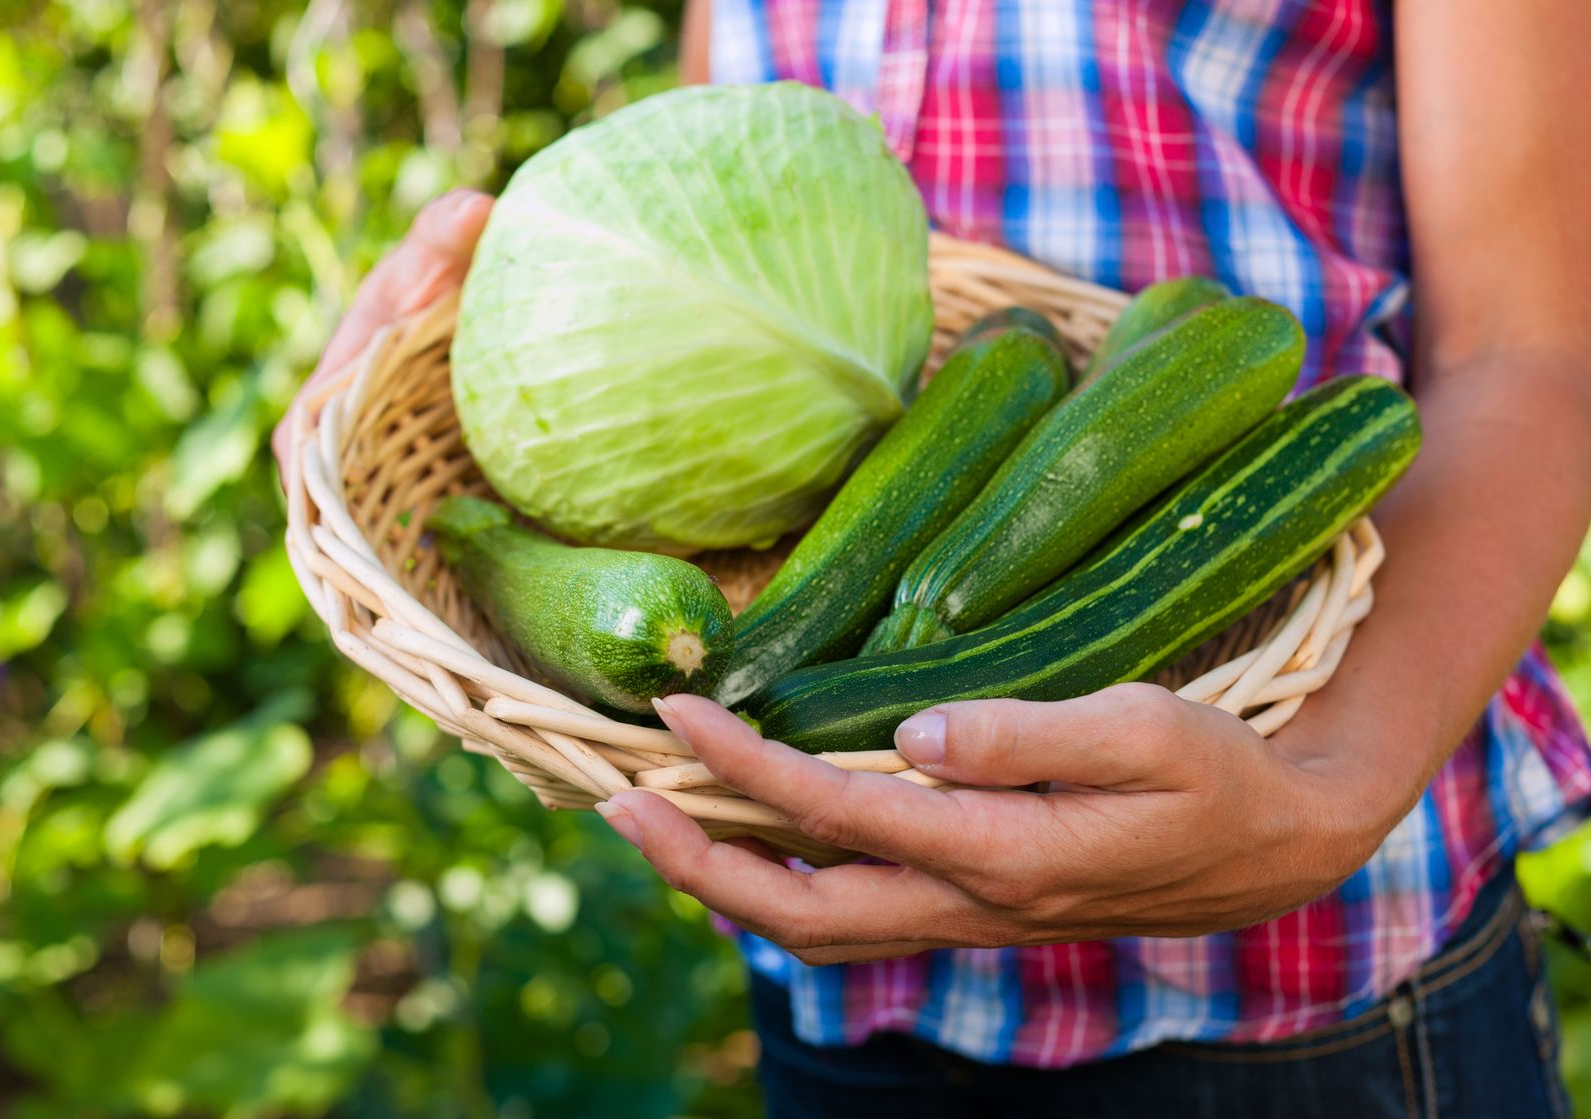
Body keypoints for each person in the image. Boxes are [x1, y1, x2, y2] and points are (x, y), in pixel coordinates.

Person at [277, 0, 1591, 1113]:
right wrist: (500, 319)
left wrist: (1326, 795)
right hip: (844, 970)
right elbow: (716, 161)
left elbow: (1528, 354)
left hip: (1303, 982)